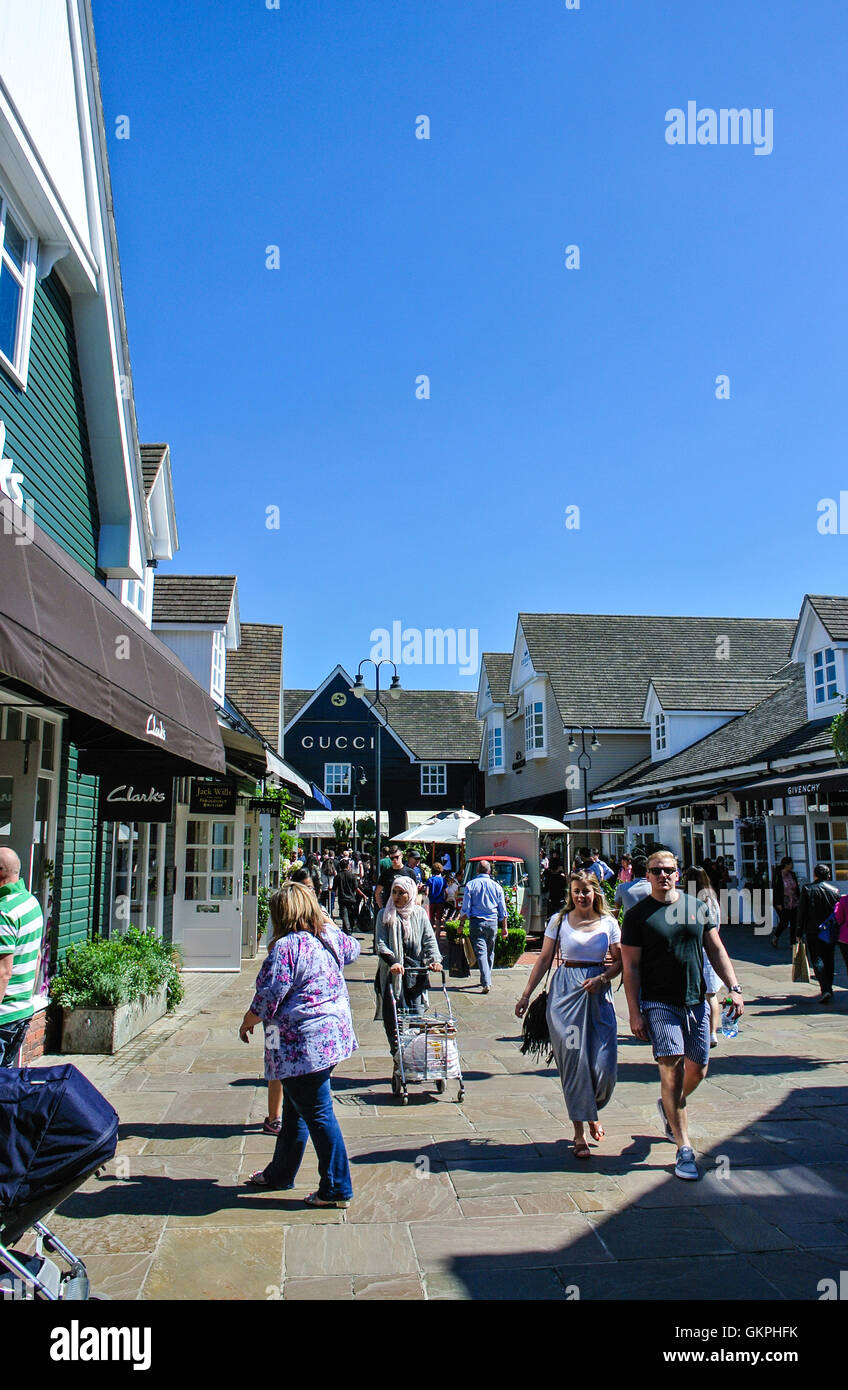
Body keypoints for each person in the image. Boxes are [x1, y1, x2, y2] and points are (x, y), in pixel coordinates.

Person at [620, 850, 744, 1182]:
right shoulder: (637, 916)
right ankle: (684, 1148)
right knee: (671, 1065)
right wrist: (634, 1012)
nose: (663, 875)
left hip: (696, 1001)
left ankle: (670, 1105)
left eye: (669, 870)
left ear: (677, 873)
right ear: (646, 875)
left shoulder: (696, 907)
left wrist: (734, 987)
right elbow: (630, 966)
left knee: (699, 1068)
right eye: (656, 870)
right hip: (659, 1002)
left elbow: (716, 949)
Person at [241, 882, 359, 1206]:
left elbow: (269, 994)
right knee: (296, 1110)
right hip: (329, 1039)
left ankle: (336, 1188)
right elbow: (354, 948)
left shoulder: (286, 947)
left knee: (318, 1114)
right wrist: (327, 921)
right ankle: (280, 1173)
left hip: (302, 1045)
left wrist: (247, 1021)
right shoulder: (327, 937)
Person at [515, 871, 621, 1159]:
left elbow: (620, 963)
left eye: (585, 891)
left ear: (595, 892)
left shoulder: (609, 923)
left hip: (597, 994)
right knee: (574, 1062)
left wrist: (603, 978)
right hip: (565, 995)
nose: (580, 896)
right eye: (575, 891)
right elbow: (544, 959)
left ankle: (591, 1109)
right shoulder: (559, 921)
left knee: (604, 1065)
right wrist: (526, 995)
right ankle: (579, 1132)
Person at [374, 875, 443, 1050]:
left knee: (416, 1016)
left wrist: (435, 960)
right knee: (393, 1019)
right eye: (394, 892)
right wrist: (393, 962)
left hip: (415, 972)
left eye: (401, 893)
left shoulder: (419, 913)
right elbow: (380, 944)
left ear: (410, 894)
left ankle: (413, 1053)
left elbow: (429, 939)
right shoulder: (385, 914)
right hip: (393, 974)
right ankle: (397, 1053)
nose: (397, 897)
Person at [0, 848, 44, 1067]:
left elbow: (3, 972)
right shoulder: (31, 903)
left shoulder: (4, 911)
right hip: (22, 1011)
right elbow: (37, 957)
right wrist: (29, 999)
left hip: (3, 1016)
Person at [680, 865, 722, 1047]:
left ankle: (697, 1030)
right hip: (709, 948)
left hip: (695, 950)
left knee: (693, 995)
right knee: (710, 994)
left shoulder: (688, 900)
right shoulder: (711, 897)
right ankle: (712, 1032)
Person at [459, 859, 508, 994]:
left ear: (477, 870)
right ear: (489, 871)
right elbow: (502, 910)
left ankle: (486, 981)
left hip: (477, 922)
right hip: (492, 922)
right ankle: (486, 978)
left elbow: (466, 908)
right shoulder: (497, 886)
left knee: (481, 952)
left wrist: (461, 924)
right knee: (489, 951)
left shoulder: (471, 885)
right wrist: (504, 927)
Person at [799, 863, 841, 1004]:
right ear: (828, 875)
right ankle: (829, 986)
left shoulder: (807, 889)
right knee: (829, 958)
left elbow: (802, 912)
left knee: (817, 959)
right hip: (829, 930)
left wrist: (798, 931)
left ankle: (825, 988)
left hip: (813, 930)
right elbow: (837, 913)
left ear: (815, 874)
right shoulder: (834, 891)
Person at [771, 856, 800, 949]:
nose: (792, 865)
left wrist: (799, 899)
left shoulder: (792, 874)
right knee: (784, 921)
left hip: (794, 901)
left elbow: (796, 888)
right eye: (791, 863)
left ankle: (793, 943)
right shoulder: (778, 875)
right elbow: (775, 889)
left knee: (794, 922)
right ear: (786, 864)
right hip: (783, 902)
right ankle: (776, 936)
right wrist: (778, 902)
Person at [375, 846, 413, 911]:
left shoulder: (410, 872)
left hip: (406, 910)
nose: (394, 860)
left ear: (401, 856)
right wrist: (382, 909)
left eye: (396, 857)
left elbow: (415, 892)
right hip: (390, 909)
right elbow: (377, 893)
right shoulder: (386, 873)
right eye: (392, 858)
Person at [336, 857, 366, 935]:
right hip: (351, 898)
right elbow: (356, 888)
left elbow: (334, 889)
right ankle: (350, 929)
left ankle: (347, 930)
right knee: (351, 915)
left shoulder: (338, 876)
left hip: (342, 898)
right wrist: (363, 895)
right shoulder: (352, 876)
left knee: (344, 915)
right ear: (348, 866)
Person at [427, 862, 447, 931]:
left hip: (432, 901)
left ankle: (431, 936)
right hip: (440, 901)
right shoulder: (443, 880)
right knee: (438, 921)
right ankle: (437, 939)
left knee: (431, 920)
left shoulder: (430, 880)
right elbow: (445, 892)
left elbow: (427, 892)